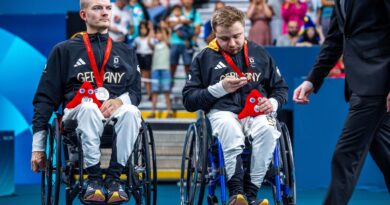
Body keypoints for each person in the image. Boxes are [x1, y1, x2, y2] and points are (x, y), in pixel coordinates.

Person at [30, 0, 142, 203]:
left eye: (108, 8)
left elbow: (135, 92)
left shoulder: (126, 51)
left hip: (111, 116)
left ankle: (115, 179)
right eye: (97, 8)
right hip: (76, 116)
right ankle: (94, 178)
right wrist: (38, 147)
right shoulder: (63, 50)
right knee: (89, 107)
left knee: (132, 111)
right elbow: (44, 99)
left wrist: (119, 101)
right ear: (83, 15)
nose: (105, 13)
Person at [183, 6, 288, 205]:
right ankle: (236, 191)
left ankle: (251, 194)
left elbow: (280, 89)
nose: (232, 43)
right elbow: (189, 100)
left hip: (256, 113)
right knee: (229, 127)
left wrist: (272, 103)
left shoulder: (260, 53)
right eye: (224, 38)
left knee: (268, 128)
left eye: (237, 36)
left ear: (244, 29)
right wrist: (219, 88)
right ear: (215, 33)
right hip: (222, 113)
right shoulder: (204, 58)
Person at [293, 1, 390, 204]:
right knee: (385, 155)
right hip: (360, 84)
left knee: (345, 155)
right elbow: (336, 39)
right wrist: (312, 79)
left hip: (377, 83)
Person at [148, 26, 173, 118]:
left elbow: (166, 38)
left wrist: (163, 28)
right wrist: (151, 30)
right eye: (157, 33)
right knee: (154, 91)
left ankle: (169, 111)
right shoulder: (155, 45)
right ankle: (153, 111)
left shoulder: (167, 43)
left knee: (166, 91)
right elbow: (148, 42)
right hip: (155, 69)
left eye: (159, 33)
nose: (158, 35)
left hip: (165, 69)